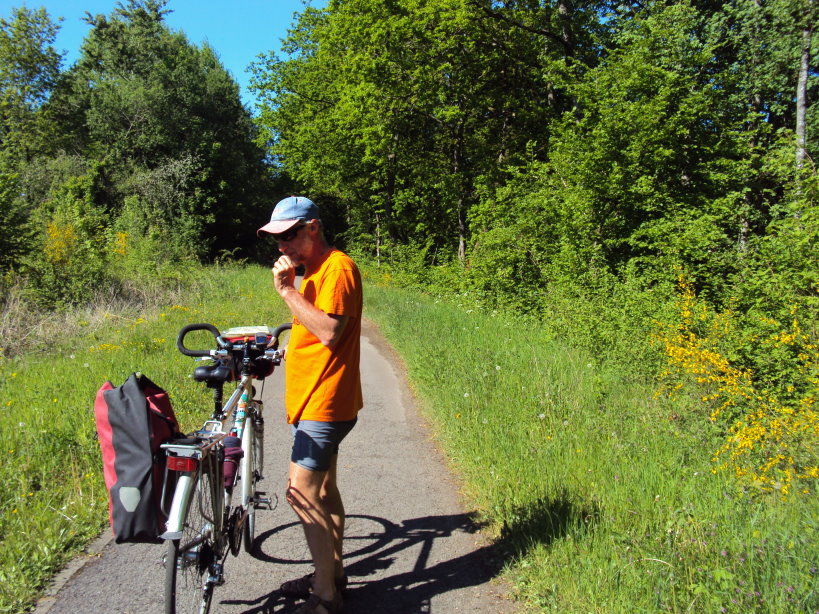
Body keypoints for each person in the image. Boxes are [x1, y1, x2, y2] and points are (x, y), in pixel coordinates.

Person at [258, 196, 363, 614]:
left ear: (313, 228)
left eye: (288, 236)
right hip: (318, 398)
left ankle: (324, 596)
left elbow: (330, 332)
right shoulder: (316, 270)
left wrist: (285, 291)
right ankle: (333, 573)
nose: (281, 246)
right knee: (323, 489)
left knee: (300, 493)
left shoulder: (337, 268)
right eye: (276, 239)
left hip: (325, 401)